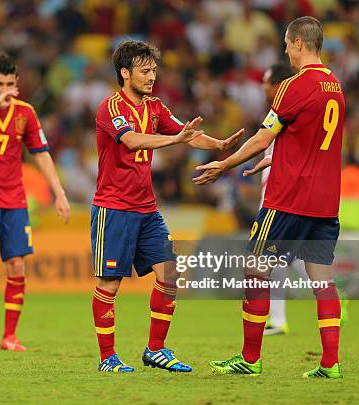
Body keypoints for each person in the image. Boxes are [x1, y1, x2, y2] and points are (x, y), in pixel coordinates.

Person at [194, 16, 345, 378]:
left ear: (297, 43)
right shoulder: (336, 85)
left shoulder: (292, 85)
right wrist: (276, 157)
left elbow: (263, 136)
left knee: (255, 269)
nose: (284, 50)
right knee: (322, 280)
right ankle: (330, 363)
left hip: (288, 198)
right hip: (325, 202)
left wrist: (224, 164)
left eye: (286, 43)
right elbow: (311, 140)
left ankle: (249, 358)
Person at [92, 40, 243, 373]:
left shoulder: (155, 106)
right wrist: (175, 140)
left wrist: (216, 144)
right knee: (110, 284)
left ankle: (155, 349)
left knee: (170, 273)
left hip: (147, 209)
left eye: (154, 70)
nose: (151, 77)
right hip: (113, 208)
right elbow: (132, 140)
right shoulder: (111, 108)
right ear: (124, 73)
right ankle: (107, 358)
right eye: (145, 71)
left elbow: (185, 133)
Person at [0, 52, 70, 351]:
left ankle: (10, 336)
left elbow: (41, 154)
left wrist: (58, 192)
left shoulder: (26, 113)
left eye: (10, 84)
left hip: (15, 200)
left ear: (17, 82)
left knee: (16, 265)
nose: (5, 89)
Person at [243, 63, 309, 336]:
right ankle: (279, 318)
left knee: (262, 258)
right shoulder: (280, 111)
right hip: (273, 194)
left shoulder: (287, 111)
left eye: (267, 81)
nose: (263, 86)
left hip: (279, 197)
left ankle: (329, 294)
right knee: (280, 259)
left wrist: (226, 163)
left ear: (279, 84)